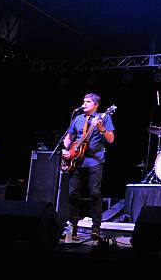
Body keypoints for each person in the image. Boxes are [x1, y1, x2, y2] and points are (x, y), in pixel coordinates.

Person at [62, 93, 114, 240]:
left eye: (88, 102)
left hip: (95, 163)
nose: (84, 104)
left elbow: (111, 139)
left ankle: (96, 229)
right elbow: (69, 137)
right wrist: (66, 150)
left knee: (95, 194)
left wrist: (101, 128)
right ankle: (73, 229)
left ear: (96, 105)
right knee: (73, 195)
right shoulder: (77, 118)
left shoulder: (104, 117)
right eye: (83, 101)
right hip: (76, 161)